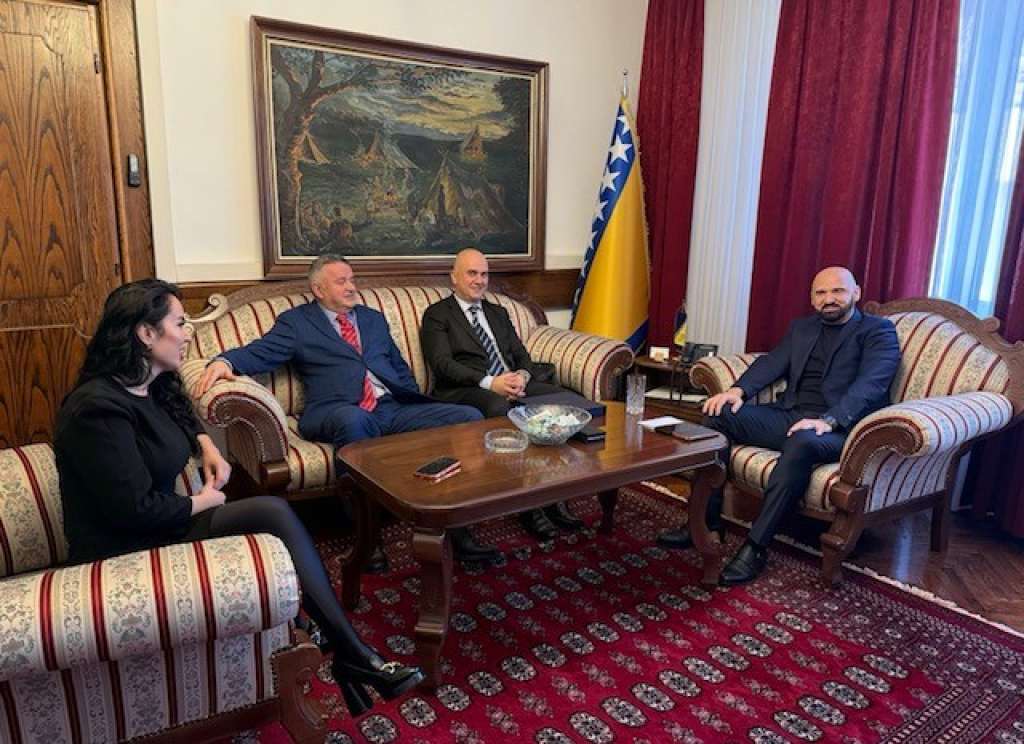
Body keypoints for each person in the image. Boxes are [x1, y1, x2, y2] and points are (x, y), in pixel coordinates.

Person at [53, 279, 423, 717]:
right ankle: (353, 654)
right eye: (179, 323)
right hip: (124, 545)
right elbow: (135, 511)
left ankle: (341, 647)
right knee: (270, 511)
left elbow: (176, 411)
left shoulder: (146, 383)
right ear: (146, 333)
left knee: (270, 515)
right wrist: (207, 501)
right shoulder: (97, 409)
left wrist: (205, 444)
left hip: (159, 524)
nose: (188, 332)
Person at [195, 254, 499, 566]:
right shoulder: (298, 323)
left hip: (391, 408)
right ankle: (368, 541)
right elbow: (262, 351)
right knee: (356, 421)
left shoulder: (372, 319)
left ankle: (457, 530)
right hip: (336, 409)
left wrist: (408, 394)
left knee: (468, 417)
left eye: (352, 280)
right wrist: (225, 361)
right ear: (318, 290)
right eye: (341, 282)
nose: (352, 287)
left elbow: (397, 366)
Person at [657, 266, 901, 585]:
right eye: (821, 293)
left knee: (802, 439)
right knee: (718, 416)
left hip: (843, 429)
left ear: (856, 293)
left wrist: (830, 420)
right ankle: (705, 523)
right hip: (791, 415)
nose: (829, 298)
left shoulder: (878, 331)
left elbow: (871, 385)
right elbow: (772, 362)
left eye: (838, 291)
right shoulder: (802, 328)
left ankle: (756, 546)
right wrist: (737, 391)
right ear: (812, 298)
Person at [420, 247, 585, 541]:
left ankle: (554, 495)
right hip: (467, 389)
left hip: (511, 382)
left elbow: (522, 356)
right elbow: (442, 364)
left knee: (563, 402)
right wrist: (490, 382)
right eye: (472, 273)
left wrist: (522, 377)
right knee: (501, 408)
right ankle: (527, 504)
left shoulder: (498, 312)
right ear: (454, 277)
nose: (479, 280)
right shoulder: (438, 315)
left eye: (484, 274)